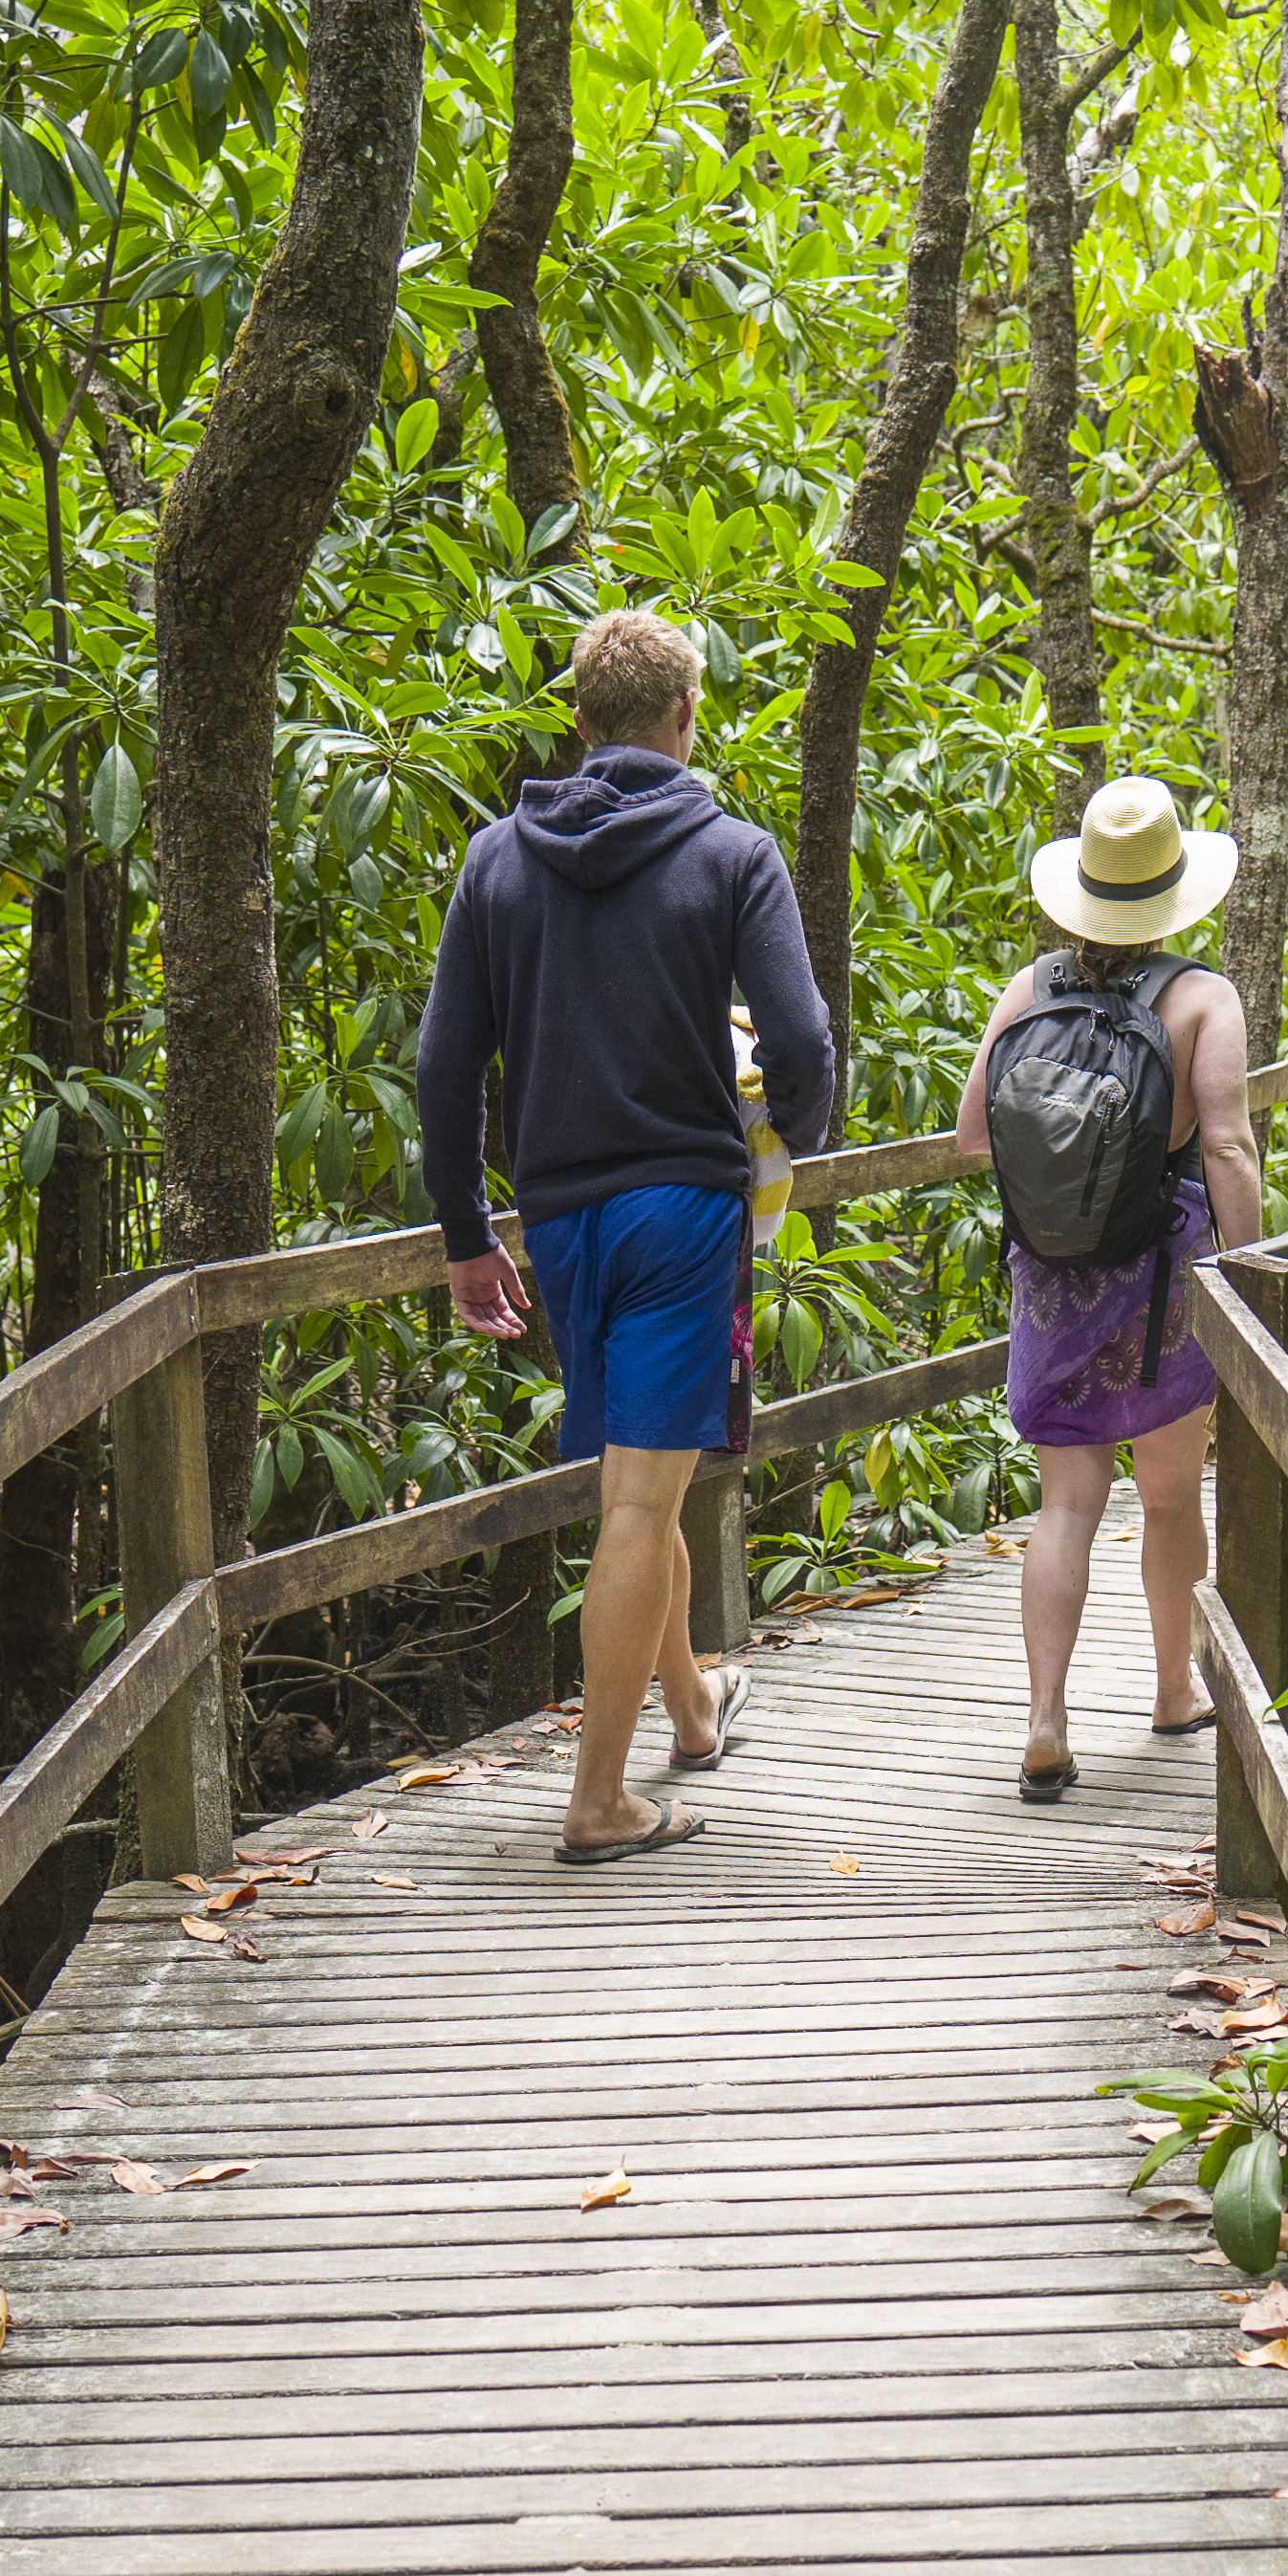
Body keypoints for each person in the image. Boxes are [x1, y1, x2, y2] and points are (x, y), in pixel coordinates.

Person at [416, 605, 836, 1864]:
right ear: (685, 717)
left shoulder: (499, 858)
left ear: (579, 721)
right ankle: (599, 1800)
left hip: (559, 1219)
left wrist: (461, 1234)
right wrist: (787, 1140)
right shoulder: (732, 853)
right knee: (644, 1503)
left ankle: (693, 1711)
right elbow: (801, 1042)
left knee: (630, 1490)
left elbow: (446, 1067)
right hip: (683, 1210)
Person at [955, 775, 1264, 1804]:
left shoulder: (1029, 988)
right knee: (1172, 1500)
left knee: (1066, 1506)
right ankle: (1174, 1688)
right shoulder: (1201, 998)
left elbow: (971, 1134)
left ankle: (1045, 1721)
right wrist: (1250, 1285)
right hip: (1163, 1282)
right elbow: (1226, 1145)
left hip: (1051, 1276)